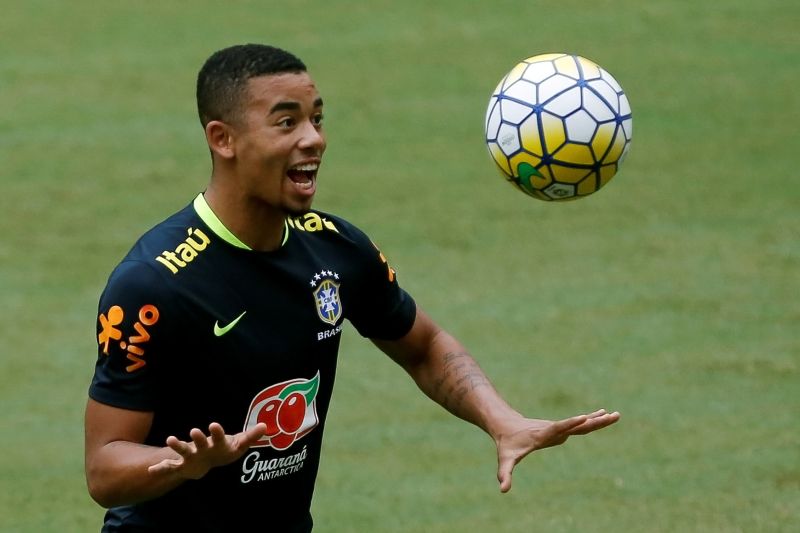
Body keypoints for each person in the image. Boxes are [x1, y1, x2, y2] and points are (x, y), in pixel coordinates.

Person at [85, 43, 620, 531]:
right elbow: (104, 467)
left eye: (316, 118)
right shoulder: (155, 285)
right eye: (286, 122)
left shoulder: (336, 250)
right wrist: (184, 462)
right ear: (222, 139)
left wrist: (501, 420)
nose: (313, 139)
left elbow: (425, 346)